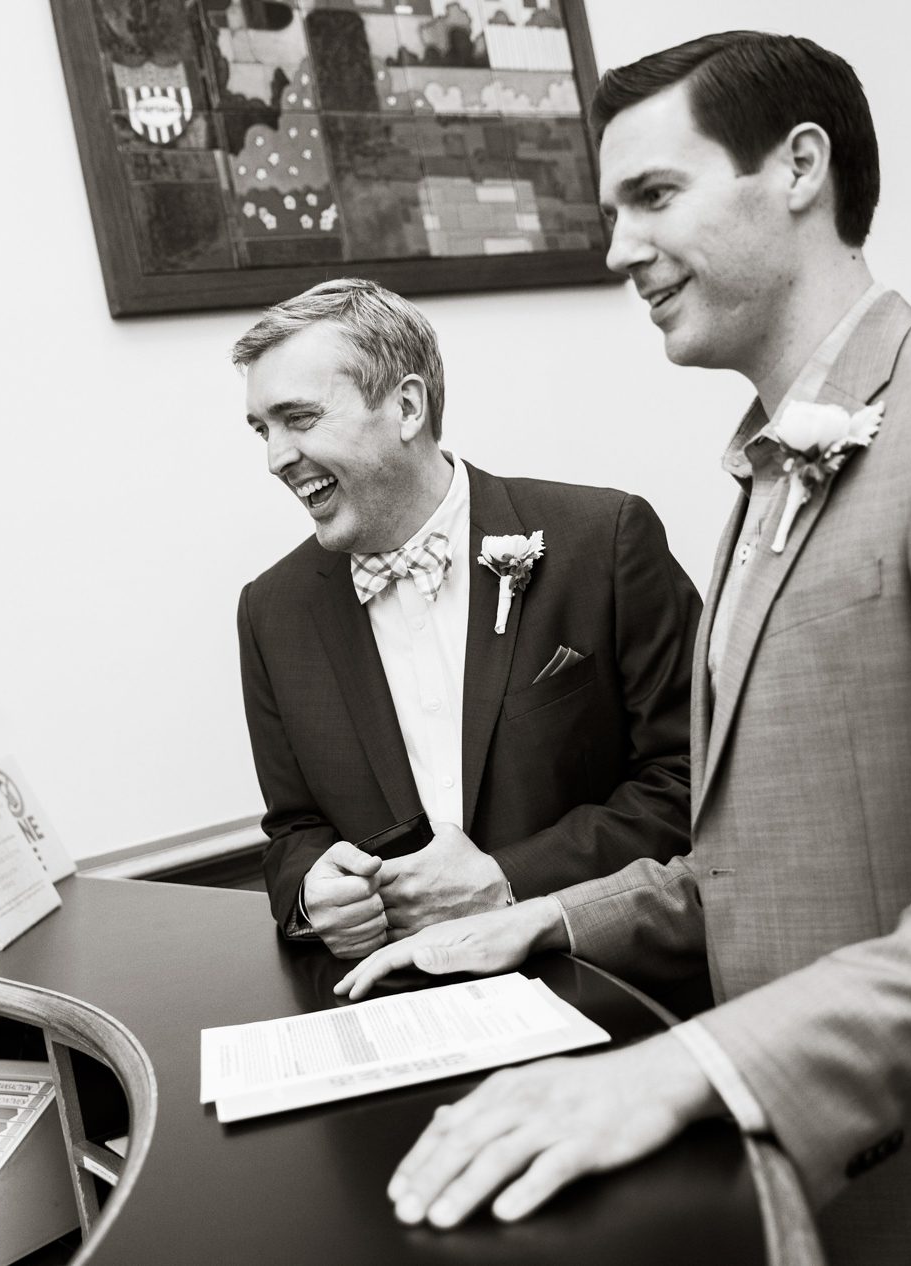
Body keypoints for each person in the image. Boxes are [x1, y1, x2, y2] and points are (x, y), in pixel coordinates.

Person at [334, 33, 911, 1264]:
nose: (616, 251)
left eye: (653, 196)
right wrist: (546, 920)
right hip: (817, 1190)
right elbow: (767, 860)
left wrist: (689, 1067)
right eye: (609, 212)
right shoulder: (764, 477)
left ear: (799, 166)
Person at [233, 278, 699, 959]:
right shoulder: (271, 611)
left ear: (407, 406)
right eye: (261, 429)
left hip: (602, 976)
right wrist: (312, 892)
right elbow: (294, 829)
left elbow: (692, 776)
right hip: (392, 996)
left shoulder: (603, 541)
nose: (276, 458)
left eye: (299, 419)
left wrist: (512, 880)